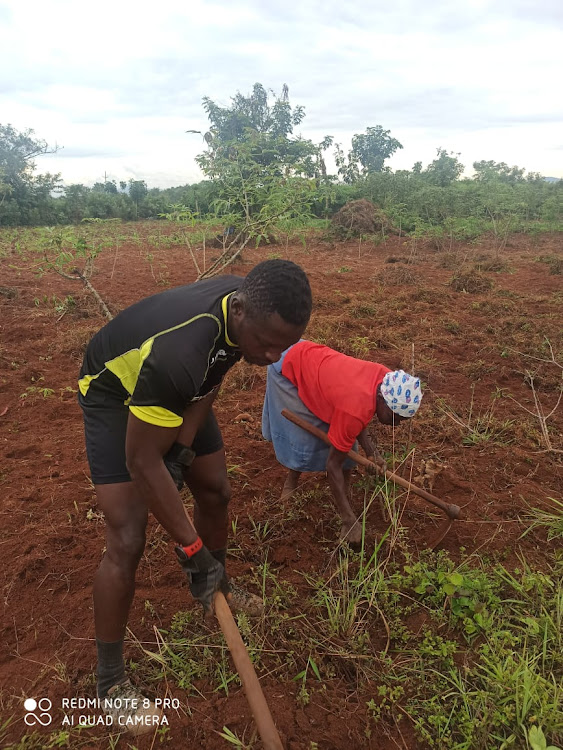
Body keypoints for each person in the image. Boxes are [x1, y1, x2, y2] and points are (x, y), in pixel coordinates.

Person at [78, 259, 312, 731]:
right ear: (241, 312)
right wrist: (191, 549)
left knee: (216, 489)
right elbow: (141, 462)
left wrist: (182, 452)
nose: (271, 358)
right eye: (266, 344)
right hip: (115, 393)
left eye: (282, 347)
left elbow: (211, 374)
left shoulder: (243, 308)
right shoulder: (179, 353)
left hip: (176, 387)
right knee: (128, 535)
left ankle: (214, 587)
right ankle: (110, 683)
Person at [262, 340, 422, 545]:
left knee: (345, 444)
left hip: (316, 364)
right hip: (287, 367)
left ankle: (343, 498)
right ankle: (292, 481)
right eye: (396, 418)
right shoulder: (356, 407)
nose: (397, 425)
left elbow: (359, 413)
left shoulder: (385, 380)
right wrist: (350, 522)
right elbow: (333, 464)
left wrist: (372, 452)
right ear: (384, 400)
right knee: (304, 439)